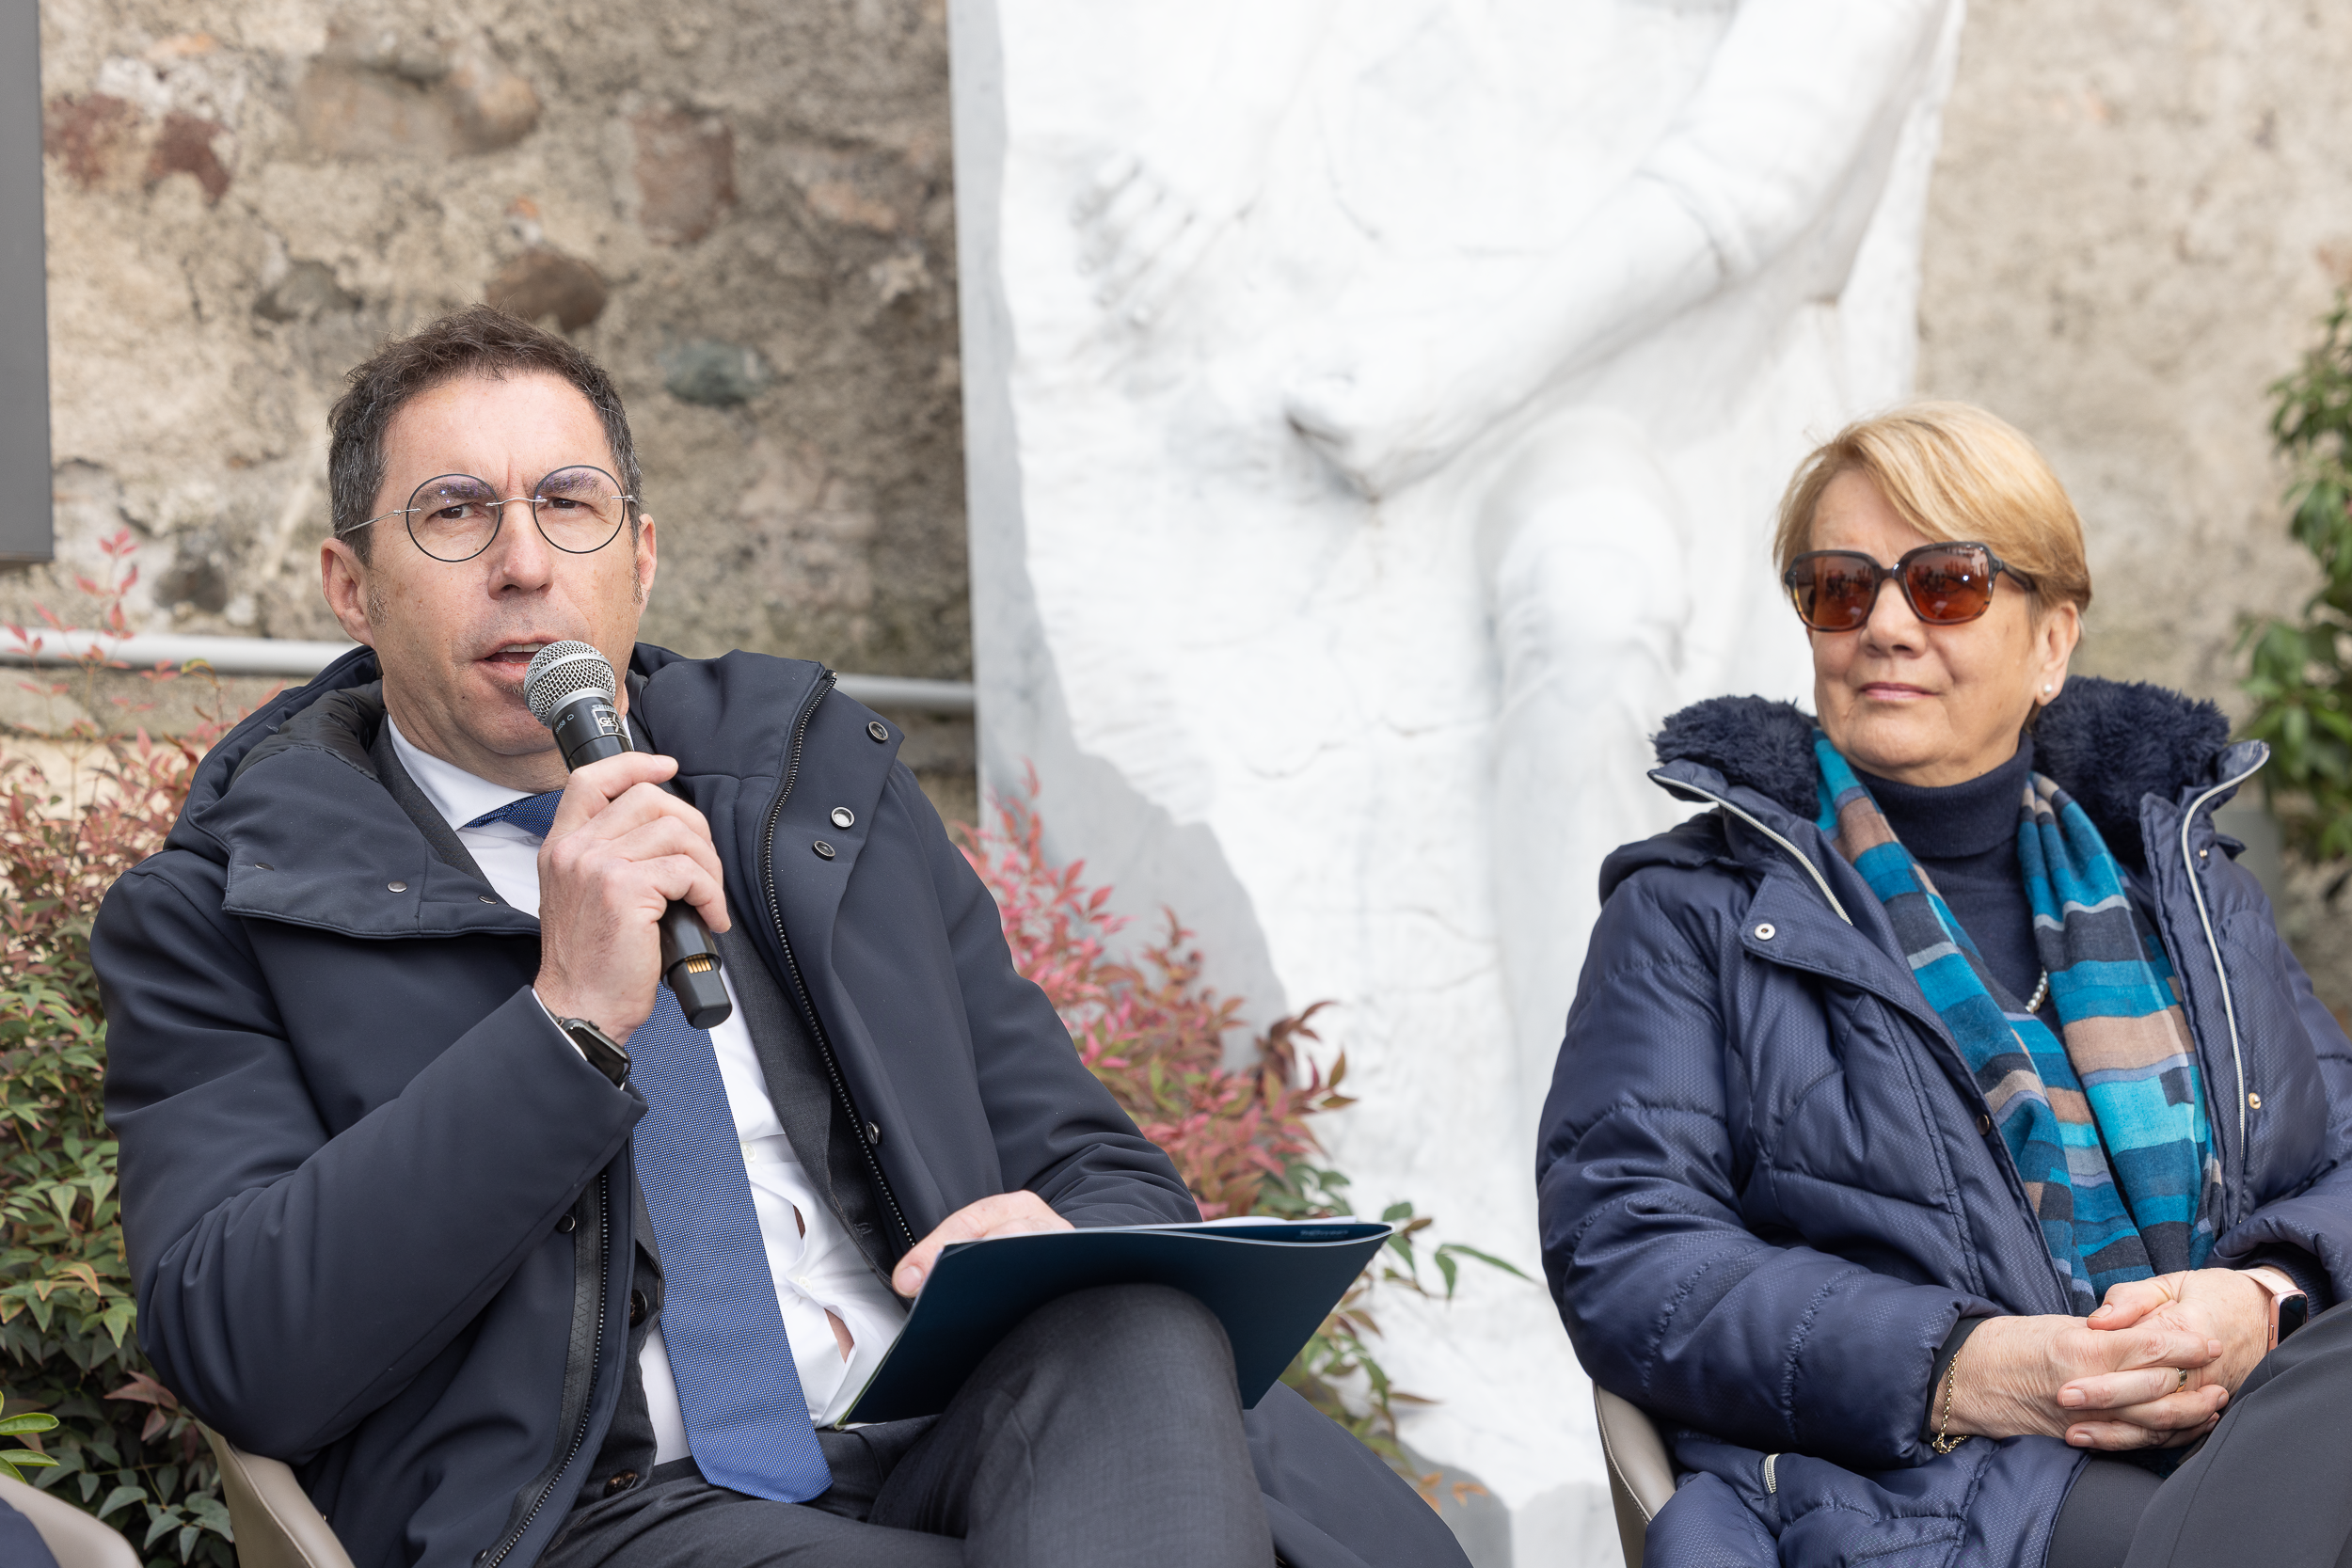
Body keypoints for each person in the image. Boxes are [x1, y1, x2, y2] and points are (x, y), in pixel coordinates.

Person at [95, 307, 1467, 1568]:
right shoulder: (220, 913)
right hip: (606, 1506)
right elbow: (241, 1345)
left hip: (943, 1434)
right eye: (455, 513)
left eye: (569, 503)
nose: (525, 563)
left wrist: (1054, 1237)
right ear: (351, 586)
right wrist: (562, 1024)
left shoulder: (811, 790)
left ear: (640, 557)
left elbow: (1100, 1167)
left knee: (1131, 1315)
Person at [1536, 402, 2352, 1568]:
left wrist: (2265, 1295)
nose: (1883, 625)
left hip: (2243, 1420)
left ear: (2051, 639)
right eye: (1837, 588)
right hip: (1928, 1489)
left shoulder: (2183, 885)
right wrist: (1966, 1365)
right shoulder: (1694, 907)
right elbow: (1628, 1254)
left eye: (1946, 584)